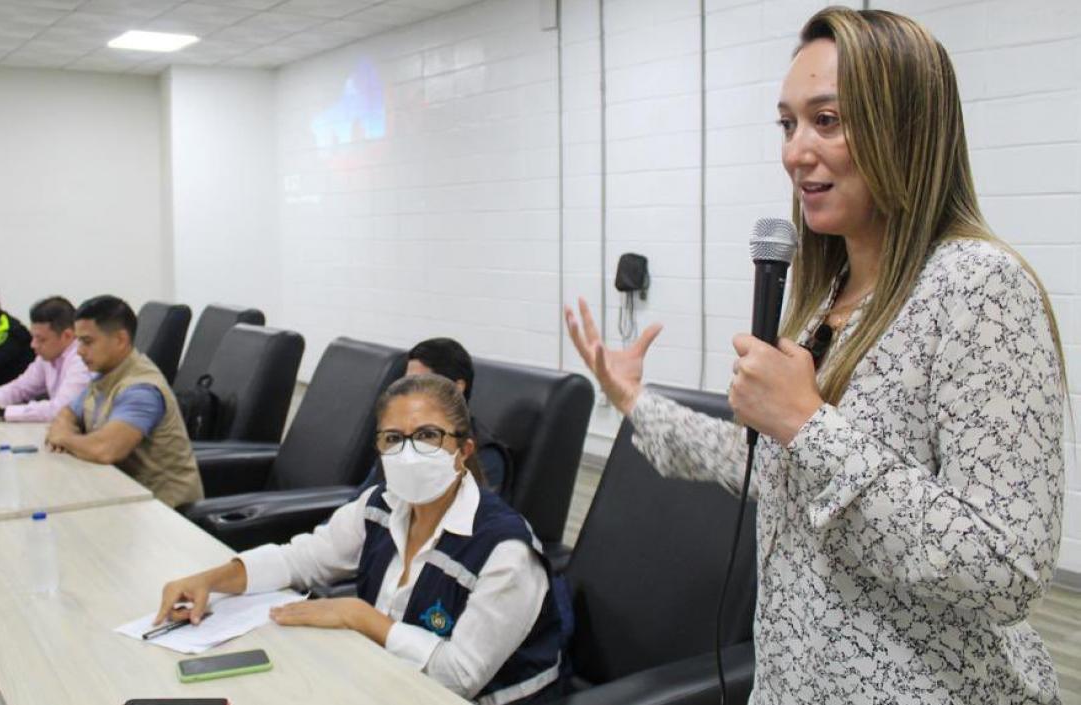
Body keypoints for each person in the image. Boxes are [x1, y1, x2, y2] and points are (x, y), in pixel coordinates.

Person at [565, 8, 1065, 704]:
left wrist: (809, 425)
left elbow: (1004, 567)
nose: (796, 151)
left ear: (905, 127)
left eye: (827, 120)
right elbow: (766, 468)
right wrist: (633, 401)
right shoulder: (824, 295)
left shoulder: (976, 286)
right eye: (788, 123)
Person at [155, 375, 564, 704]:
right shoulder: (380, 505)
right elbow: (302, 559)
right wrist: (212, 579)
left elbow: (457, 679)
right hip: (385, 679)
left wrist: (360, 617)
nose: (408, 453)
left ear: (463, 449)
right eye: (393, 439)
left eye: (427, 436)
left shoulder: (505, 552)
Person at [46, 295, 203, 508]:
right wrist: (65, 430)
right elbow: (67, 412)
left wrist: (64, 438)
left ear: (120, 339)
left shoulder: (141, 389)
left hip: (165, 512)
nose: (79, 351)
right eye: (78, 341)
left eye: (87, 341)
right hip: (123, 496)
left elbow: (105, 449)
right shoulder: (106, 373)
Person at [359, 338, 511, 494]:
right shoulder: (400, 437)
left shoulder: (486, 456)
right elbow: (363, 499)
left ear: (457, 388)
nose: (409, 392)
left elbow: (474, 515)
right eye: (407, 383)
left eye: (421, 383)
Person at [0, 296, 90, 423]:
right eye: (33, 337)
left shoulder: (82, 360)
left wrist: (1, 411)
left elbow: (61, 410)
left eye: (41, 339)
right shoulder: (47, 356)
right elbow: (21, 387)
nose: (33, 345)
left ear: (67, 336)